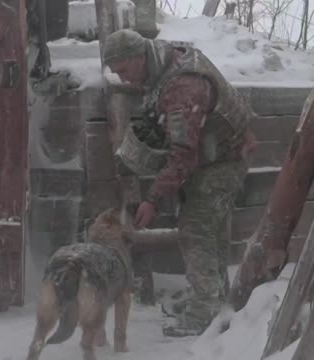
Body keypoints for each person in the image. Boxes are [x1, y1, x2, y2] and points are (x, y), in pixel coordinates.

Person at [103, 29, 257, 337]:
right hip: (219, 150)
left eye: (123, 70)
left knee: (196, 229)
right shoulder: (164, 58)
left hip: (221, 160)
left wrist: (152, 199)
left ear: (137, 56)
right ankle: (213, 298)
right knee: (211, 229)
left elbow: (182, 156)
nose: (123, 79)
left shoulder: (182, 87)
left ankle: (204, 312)